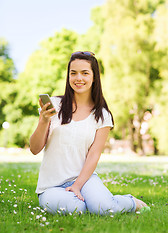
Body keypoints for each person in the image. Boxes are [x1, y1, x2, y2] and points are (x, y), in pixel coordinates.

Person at [30, 51, 147, 215]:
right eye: (73, 73)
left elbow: (93, 155)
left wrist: (77, 185)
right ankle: (95, 201)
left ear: (94, 77)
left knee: (104, 209)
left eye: (85, 73)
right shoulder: (55, 105)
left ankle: (130, 202)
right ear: (68, 76)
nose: (79, 78)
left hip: (85, 180)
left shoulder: (103, 115)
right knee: (76, 209)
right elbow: (34, 149)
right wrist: (43, 121)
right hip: (51, 186)